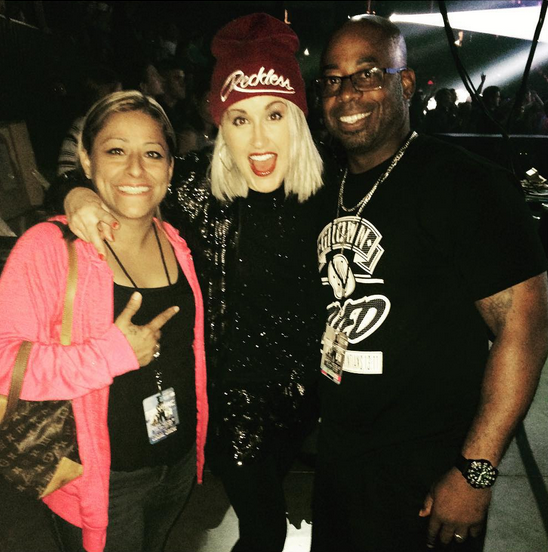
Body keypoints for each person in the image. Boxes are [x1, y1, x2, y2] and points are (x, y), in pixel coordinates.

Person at [60, 13, 324, 552]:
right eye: (240, 118)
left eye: (275, 114)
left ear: (297, 118)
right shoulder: (193, 185)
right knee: (266, 530)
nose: (259, 138)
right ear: (220, 123)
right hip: (228, 401)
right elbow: (116, 177)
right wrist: (75, 194)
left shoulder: (331, 191)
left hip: (301, 397)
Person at [312, 15, 548, 552]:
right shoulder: (324, 186)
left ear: (406, 83)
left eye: (367, 74)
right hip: (341, 468)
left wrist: (475, 473)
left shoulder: (467, 184)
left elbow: (526, 328)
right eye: (333, 79)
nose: (347, 93)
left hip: (430, 478)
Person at [0, 91, 208, 552]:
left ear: (170, 169)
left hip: (175, 463)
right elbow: (3, 360)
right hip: (100, 481)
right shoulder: (49, 247)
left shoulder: (176, 242)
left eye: (152, 154)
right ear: (86, 162)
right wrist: (110, 354)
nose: (135, 170)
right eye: (116, 151)